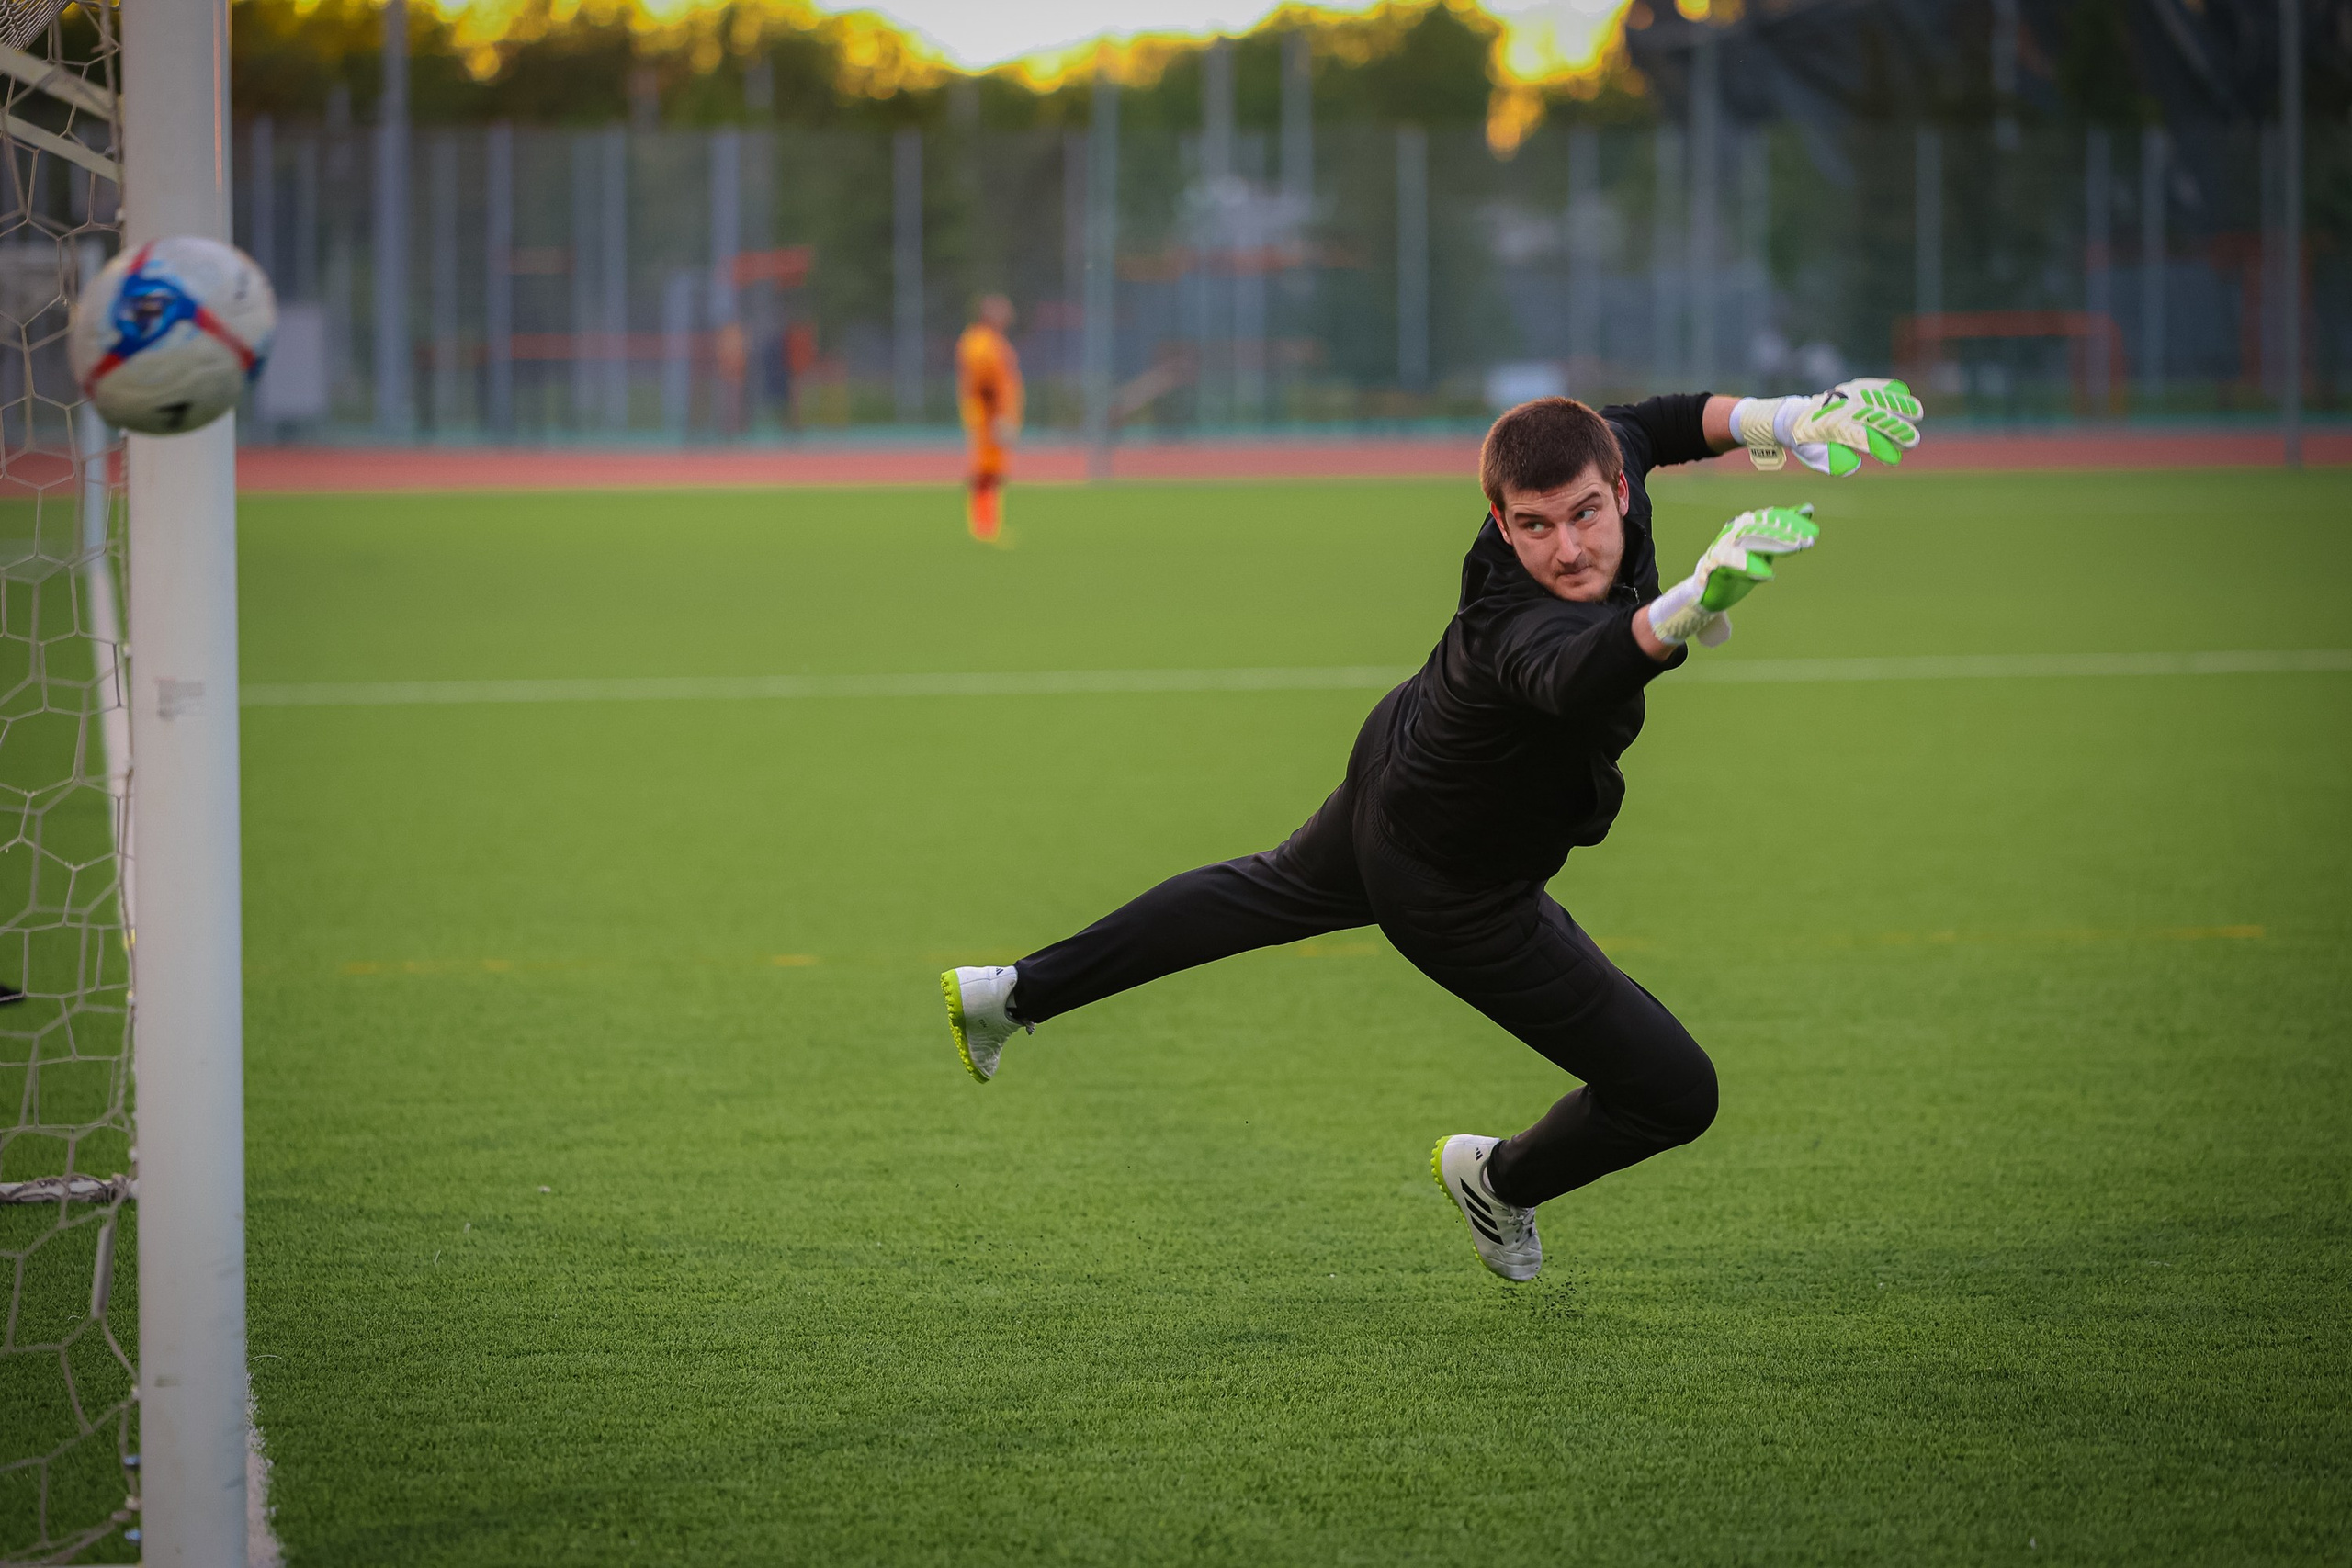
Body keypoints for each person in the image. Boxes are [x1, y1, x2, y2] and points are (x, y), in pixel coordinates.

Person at [942, 380, 1924, 1280]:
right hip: (1453, 885)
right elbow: (1575, 675)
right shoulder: (1515, 621)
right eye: (1532, 527)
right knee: (1674, 1094)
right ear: (1499, 520)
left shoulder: (1604, 455)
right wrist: (1686, 604)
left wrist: (1787, 419)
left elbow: (1662, 422)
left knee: (1264, 891)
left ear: (1618, 488)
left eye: (1585, 513)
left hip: (1402, 767)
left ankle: (1015, 992)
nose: (1567, 549)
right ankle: (1497, 1180)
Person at [956, 295, 1024, 543]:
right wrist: (999, 417)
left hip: (995, 415)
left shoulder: (994, 341)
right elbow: (983, 381)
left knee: (994, 471)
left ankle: (988, 525)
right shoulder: (979, 341)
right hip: (988, 415)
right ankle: (983, 526)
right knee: (986, 470)